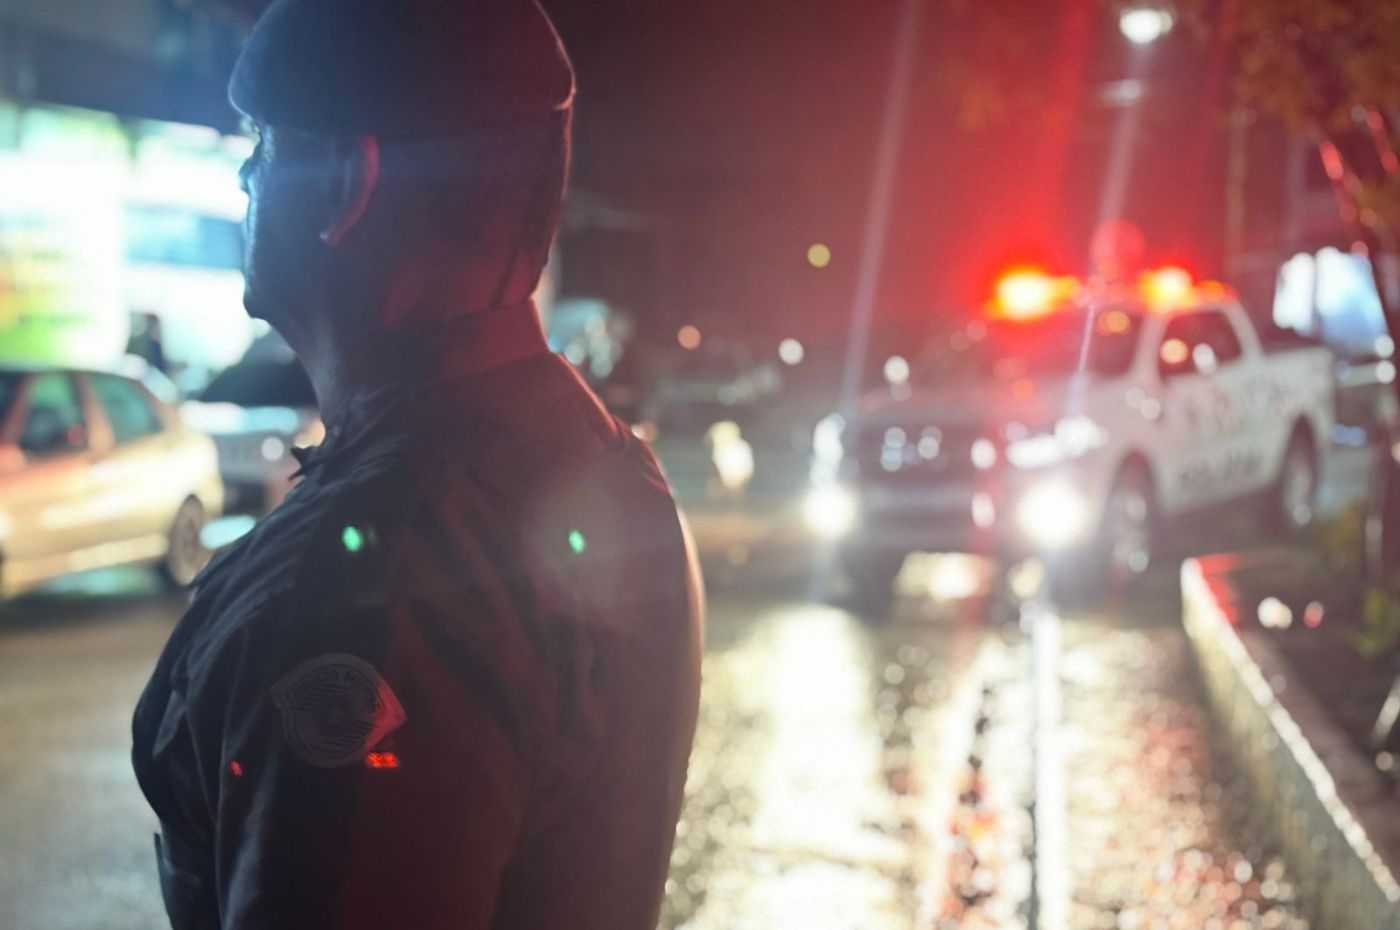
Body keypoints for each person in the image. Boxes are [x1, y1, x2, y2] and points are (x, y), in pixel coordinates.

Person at [131, 2, 705, 928]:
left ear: (343, 187)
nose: (244, 174)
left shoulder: (356, 588)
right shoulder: (604, 466)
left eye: (265, 143)